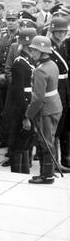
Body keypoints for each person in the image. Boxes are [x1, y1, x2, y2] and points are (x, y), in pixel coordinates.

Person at [25, 36, 63, 184]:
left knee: (45, 142)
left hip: (46, 109)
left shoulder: (40, 71)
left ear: (42, 52)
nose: (32, 53)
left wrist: (28, 114)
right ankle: (47, 173)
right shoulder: (52, 64)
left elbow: (38, 98)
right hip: (55, 106)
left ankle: (47, 176)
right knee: (49, 140)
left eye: (35, 50)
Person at [8, 33, 37, 174]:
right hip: (21, 109)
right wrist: (25, 116)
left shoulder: (29, 60)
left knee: (26, 142)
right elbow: (19, 93)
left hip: (29, 106)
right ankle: (17, 175)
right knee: (19, 143)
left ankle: (24, 172)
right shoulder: (20, 63)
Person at [48, 17, 70, 173]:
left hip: (66, 88)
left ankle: (66, 158)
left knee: (66, 125)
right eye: (58, 31)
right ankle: (54, 161)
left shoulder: (64, 46)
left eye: (64, 31)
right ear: (53, 31)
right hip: (57, 88)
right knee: (56, 126)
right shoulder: (50, 47)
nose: (61, 34)